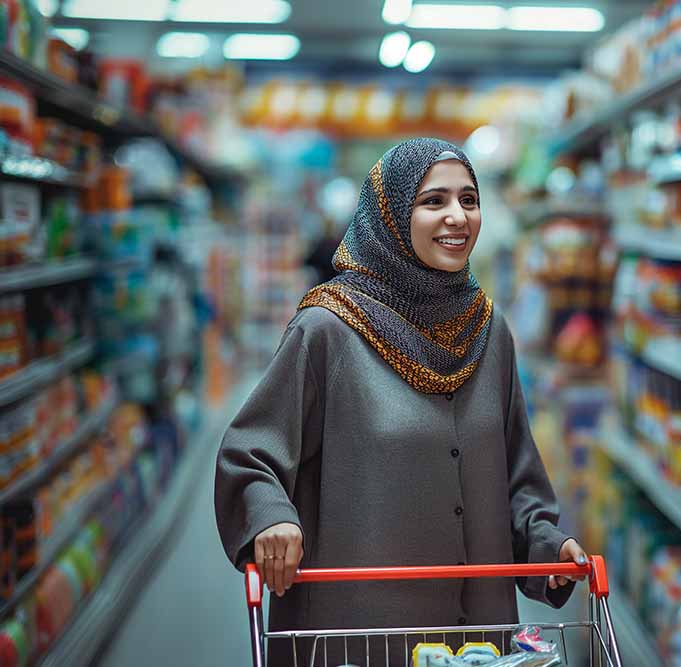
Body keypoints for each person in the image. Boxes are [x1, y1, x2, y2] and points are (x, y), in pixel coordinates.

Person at [215, 137, 586, 665]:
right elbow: (250, 454)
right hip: (360, 637)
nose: (457, 217)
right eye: (433, 201)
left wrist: (547, 544)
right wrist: (271, 516)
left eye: (469, 200)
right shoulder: (328, 329)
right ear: (388, 215)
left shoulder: (488, 330)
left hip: (477, 641)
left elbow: (517, 479)